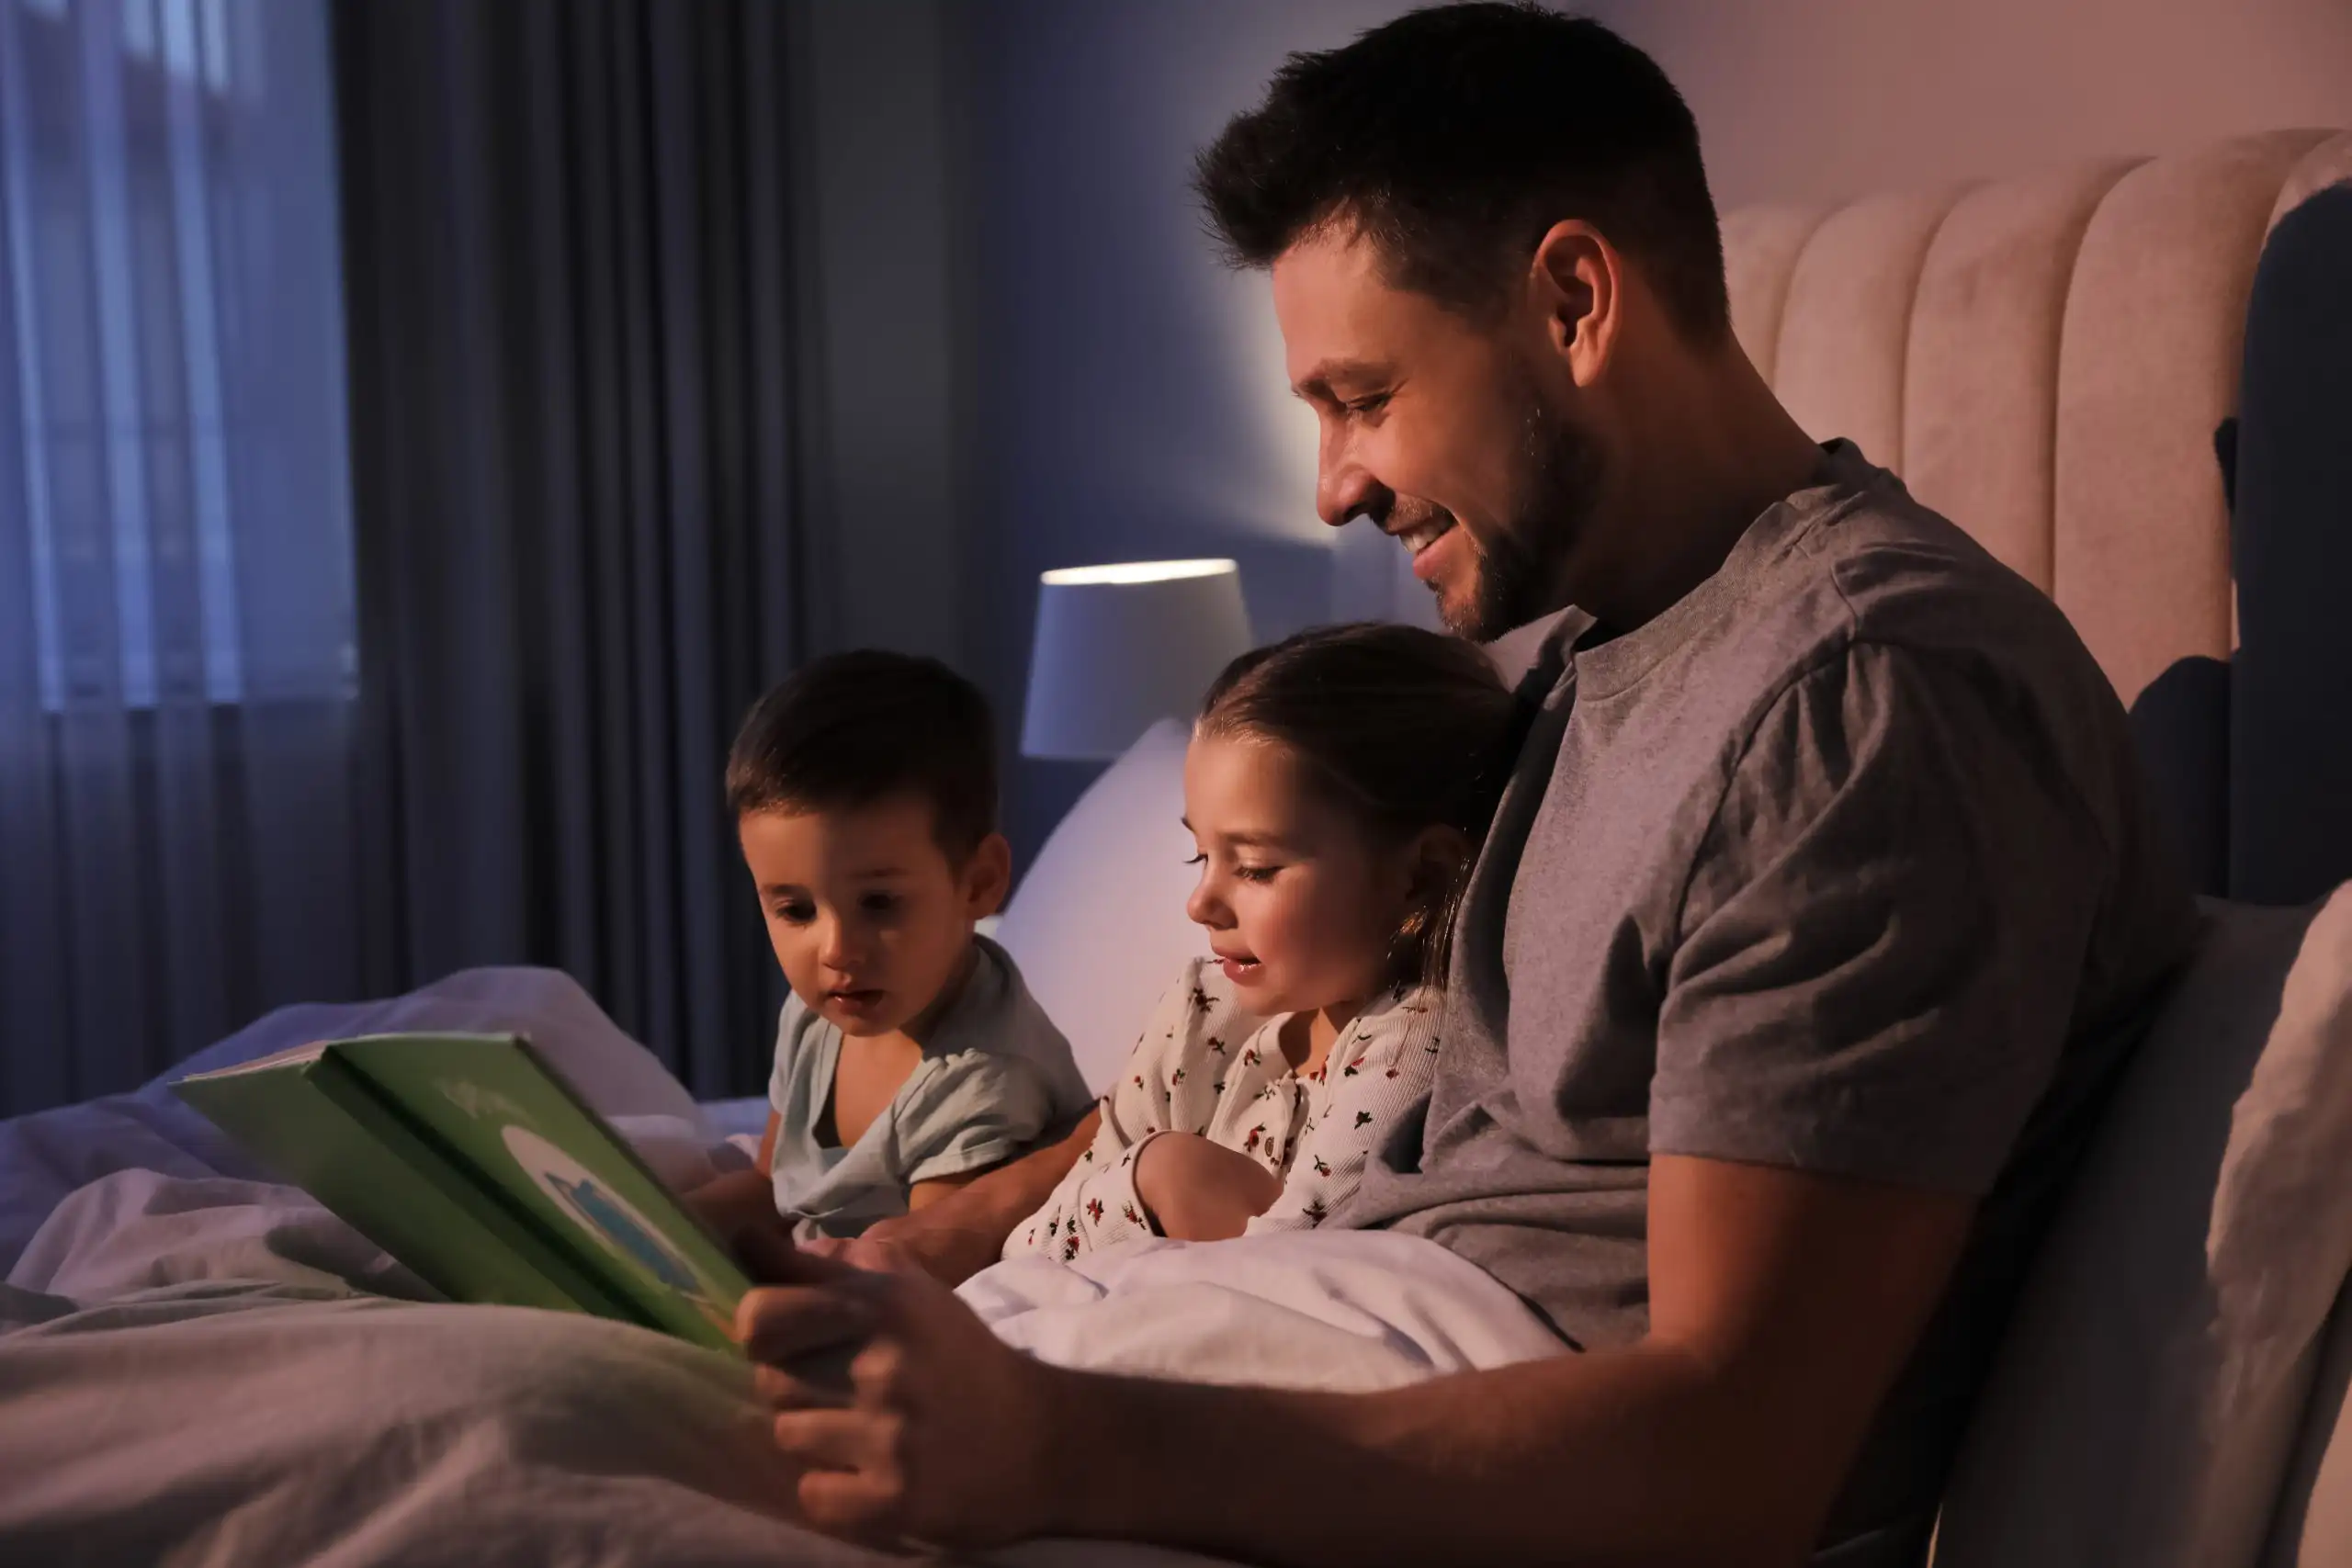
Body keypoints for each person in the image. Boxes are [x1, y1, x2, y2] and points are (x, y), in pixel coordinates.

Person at [735, 8, 2198, 1565]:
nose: (1333, 486)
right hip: (1318, 1333)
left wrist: (1056, 1444)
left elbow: (1731, 1455)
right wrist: (950, 1234)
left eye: (1362, 397)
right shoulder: (1603, 663)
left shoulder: (1862, 697)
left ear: (1572, 301)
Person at [1011, 624, 1520, 1259]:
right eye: (1199, 856)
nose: (1200, 903)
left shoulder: (1413, 1046)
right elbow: (1054, 1225)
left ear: (1420, 876)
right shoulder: (1201, 1013)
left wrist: (1170, 1184)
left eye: (1254, 867)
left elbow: (1295, 1273)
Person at [686, 650, 1093, 1244]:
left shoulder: (985, 1077)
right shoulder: (813, 1016)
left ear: (978, 883)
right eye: (796, 909)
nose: (836, 949)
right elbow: (769, 1187)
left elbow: (917, 1267)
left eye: (879, 904)